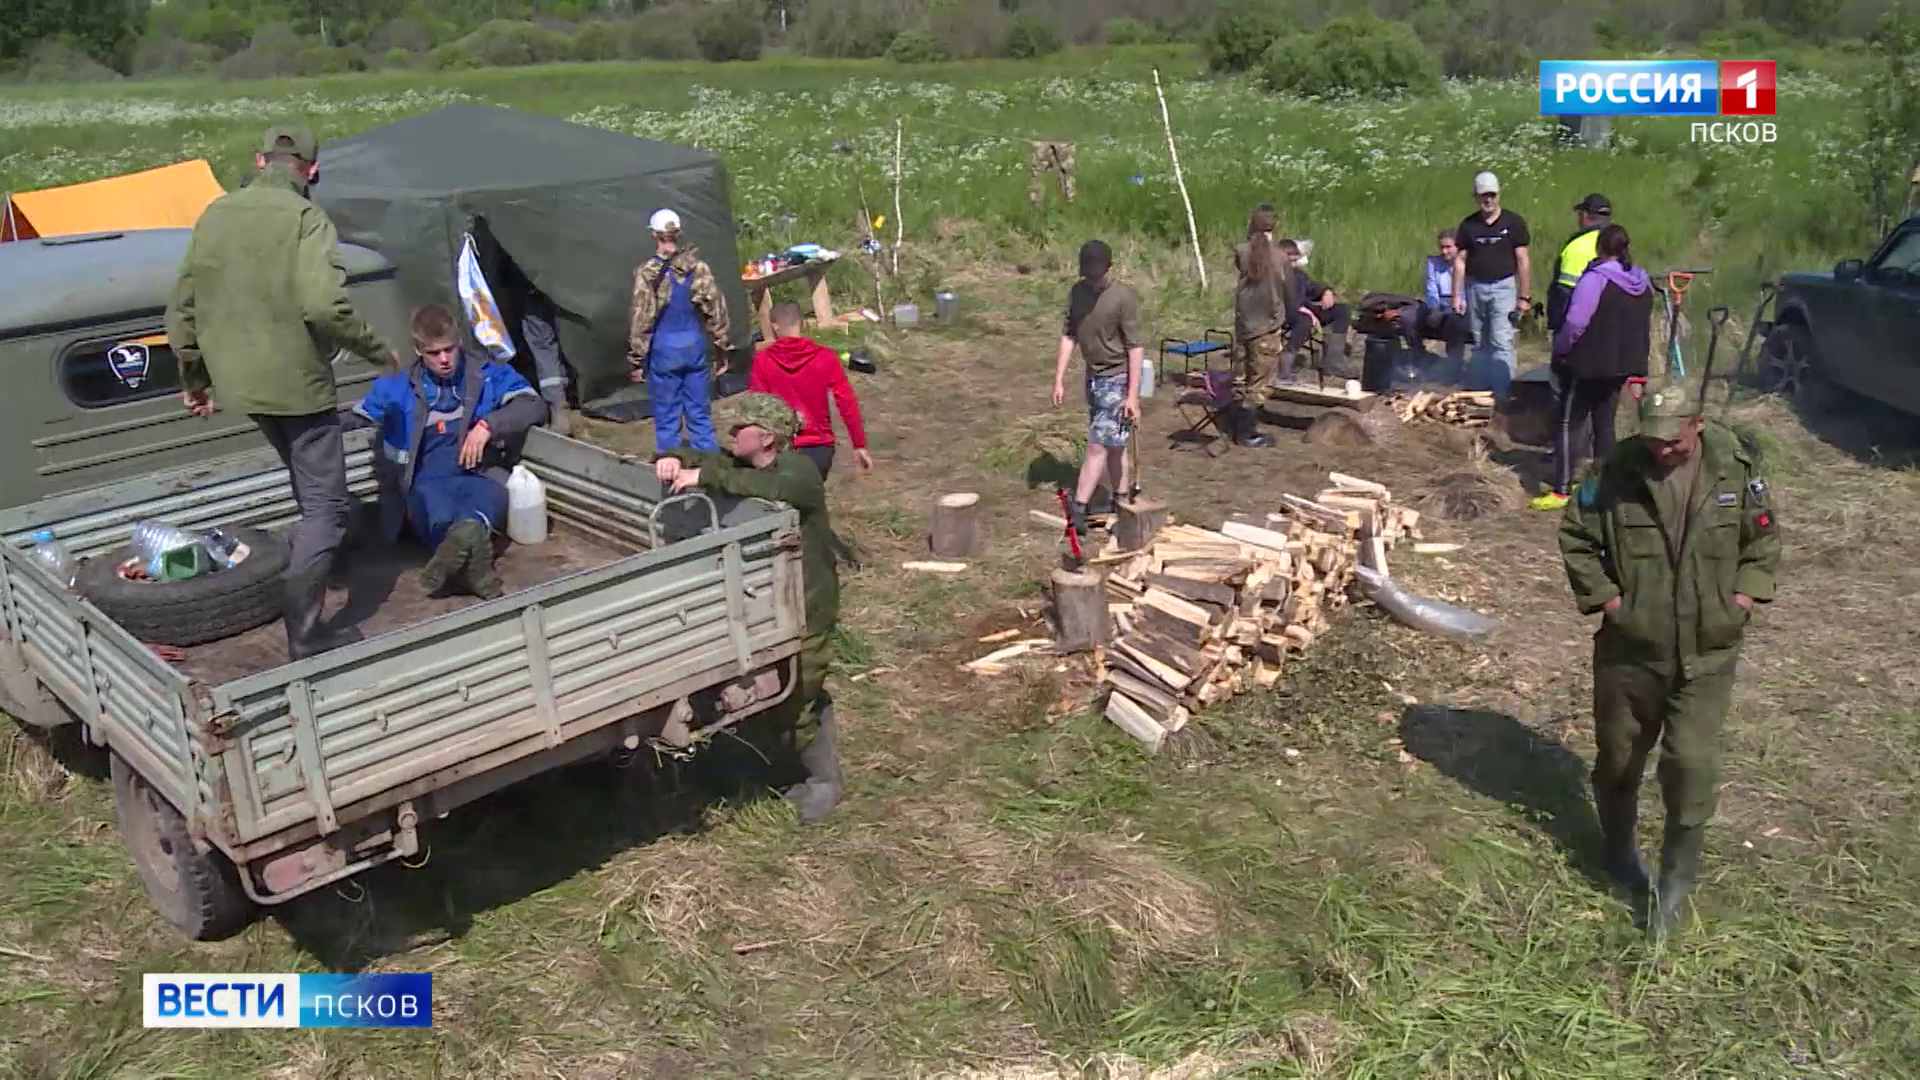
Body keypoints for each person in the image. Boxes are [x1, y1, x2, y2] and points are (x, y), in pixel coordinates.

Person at [165, 123, 399, 661]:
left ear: (258, 158)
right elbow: (323, 305)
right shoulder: (306, 218)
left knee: (307, 487)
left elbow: (181, 311)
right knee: (328, 507)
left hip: (241, 387)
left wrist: (196, 382)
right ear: (312, 170)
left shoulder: (215, 213)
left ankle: (308, 574)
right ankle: (306, 630)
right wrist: (374, 350)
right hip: (298, 388)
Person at [1558, 379, 1781, 939]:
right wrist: (1610, 600)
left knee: (1690, 764)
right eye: (1651, 439)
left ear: (1697, 424)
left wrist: (1742, 599)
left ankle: (1675, 882)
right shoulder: (1613, 472)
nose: (1660, 451)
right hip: (1630, 652)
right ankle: (1618, 850)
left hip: (1708, 652)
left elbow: (1763, 544)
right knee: (1618, 759)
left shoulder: (1737, 471)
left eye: (1671, 441)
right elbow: (1576, 536)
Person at [653, 394, 843, 824]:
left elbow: (767, 489)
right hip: (769, 605)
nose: (731, 435)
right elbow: (704, 457)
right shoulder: (743, 462)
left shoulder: (800, 473)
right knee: (776, 694)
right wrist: (670, 458)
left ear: (768, 439)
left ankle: (823, 782)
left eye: (740, 430)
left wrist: (704, 476)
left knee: (798, 695)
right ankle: (782, 765)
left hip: (808, 603)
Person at [345, 304, 549, 600]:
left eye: (449, 350)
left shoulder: (487, 374)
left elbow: (533, 405)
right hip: (425, 481)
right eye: (433, 353)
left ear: (459, 343)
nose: (444, 360)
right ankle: (474, 568)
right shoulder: (397, 386)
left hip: (479, 473)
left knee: (490, 499)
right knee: (437, 512)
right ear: (418, 349)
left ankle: (464, 558)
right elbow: (355, 419)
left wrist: (488, 426)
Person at [1533, 224, 1652, 512]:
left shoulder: (1595, 279)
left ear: (1600, 248)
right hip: (1621, 365)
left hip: (1587, 364)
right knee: (1604, 425)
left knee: (1567, 423)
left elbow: (1576, 322)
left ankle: (1562, 489)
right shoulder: (1640, 279)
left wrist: (1561, 348)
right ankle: (1604, 487)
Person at [1051, 240, 1142, 536]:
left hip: (1117, 377)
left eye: (1097, 274)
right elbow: (1069, 336)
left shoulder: (1123, 297)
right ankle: (1121, 500)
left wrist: (1132, 396)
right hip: (1093, 378)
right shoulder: (1078, 293)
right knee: (1114, 446)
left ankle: (1078, 508)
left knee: (1097, 446)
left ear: (1109, 268)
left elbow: (1135, 348)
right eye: (1087, 274)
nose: (1092, 279)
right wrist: (1059, 379)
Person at [628, 208, 732, 454]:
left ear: (655, 235)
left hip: (664, 352)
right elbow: (716, 310)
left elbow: (641, 318)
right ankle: (709, 471)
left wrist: (636, 359)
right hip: (695, 348)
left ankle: (671, 470)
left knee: (667, 420)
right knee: (700, 416)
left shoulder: (647, 273)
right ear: (679, 233)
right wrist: (722, 349)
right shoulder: (699, 268)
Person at [749, 301, 873, 480]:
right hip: (820, 447)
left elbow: (756, 409)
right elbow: (847, 402)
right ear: (803, 323)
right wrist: (859, 444)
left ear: (774, 327)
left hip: (780, 449)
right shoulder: (825, 357)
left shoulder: (762, 361)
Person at [1453, 171, 1532, 402]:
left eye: (1492, 195)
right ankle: (1479, 390)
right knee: (1480, 341)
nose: (1488, 200)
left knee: (1501, 340)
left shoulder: (1513, 222)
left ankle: (1502, 394)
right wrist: (1457, 295)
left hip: (1503, 287)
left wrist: (1524, 295)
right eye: (1482, 196)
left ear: (1499, 194)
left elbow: (1523, 260)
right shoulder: (1468, 225)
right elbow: (1460, 261)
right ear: (1475, 197)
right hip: (1475, 287)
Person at [1227, 204, 1286, 448]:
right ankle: (1247, 434)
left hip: (1244, 326)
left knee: (1242, 379)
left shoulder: (1242, 251)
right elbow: (1287, 288)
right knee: (1260, 383)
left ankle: (1236, 426)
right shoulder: (1279, 256)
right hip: (1267, 327)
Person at [1276, 238, 1350, 383]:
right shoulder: (1274, 277)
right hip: (1283, 314)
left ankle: (1333, 362)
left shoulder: (1298, 275)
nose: (1293, 264)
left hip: (1304, 310)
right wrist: (1306, 311)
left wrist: (1326, 291)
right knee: (1305, 319)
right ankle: (1286, 360)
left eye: (1295, 260)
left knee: (1342, 310)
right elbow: (1285, 302)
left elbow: (1312, 287)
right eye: (1290, 261)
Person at [1407, 227, 1473, 376]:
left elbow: (1468, 292)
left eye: (1449, 247)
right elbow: (1431, 289)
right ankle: (1419, 355)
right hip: (1439, 304)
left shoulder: (1469, 265)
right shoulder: (1433, 263)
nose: (1444, 252)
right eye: (1442, 247)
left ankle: (1454, 365)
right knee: (1408, 318)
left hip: (1461, 306)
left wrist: (1454, 306)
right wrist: (1435, 307)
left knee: (1454, 322)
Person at [1548, 193, 1612, 336]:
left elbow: (1564, 295)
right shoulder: (1616, 243)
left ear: (1584, 215)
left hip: (1579, 330)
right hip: (1609, 327)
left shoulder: (1577, 247)